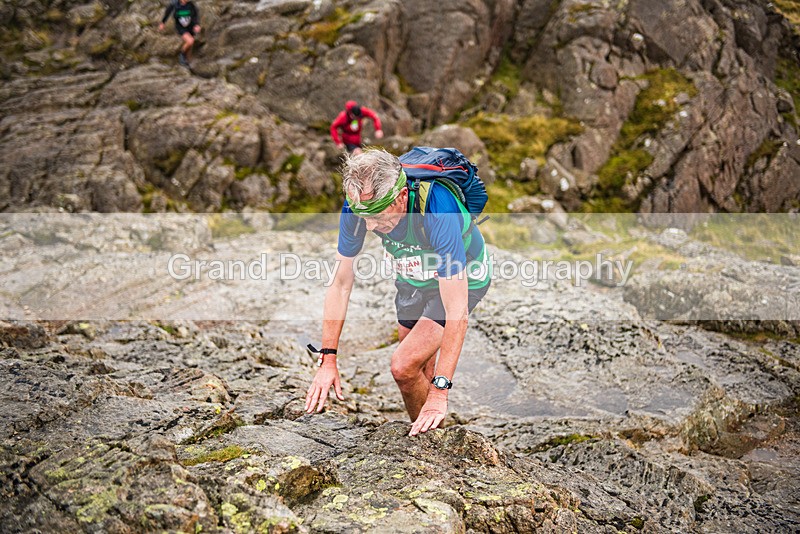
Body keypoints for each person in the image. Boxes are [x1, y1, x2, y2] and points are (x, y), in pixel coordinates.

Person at [304, 148, 491, 436]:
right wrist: (328, 358)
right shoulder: (360, 204)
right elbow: (340, 282)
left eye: (377, 216)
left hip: (465, 275)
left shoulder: (438, 208)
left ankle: (431, 441)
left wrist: (441, 391)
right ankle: (432, 434)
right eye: (363, 216)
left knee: (403, 366)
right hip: (412, 274)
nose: (368, 226)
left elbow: (457, 310)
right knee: (416, 367)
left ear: (402, 196)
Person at [158, 0, 201, 68]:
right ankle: (181, 54)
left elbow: (196, 15)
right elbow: (167, 13)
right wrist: (162, 23)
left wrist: (197, 25)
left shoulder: (191, 5)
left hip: (190, 26)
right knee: (190, 41)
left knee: (190, 45)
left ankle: (187, 62)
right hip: (180, 27)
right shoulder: (174, 4)